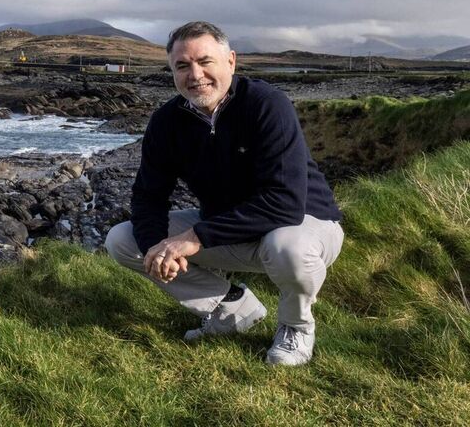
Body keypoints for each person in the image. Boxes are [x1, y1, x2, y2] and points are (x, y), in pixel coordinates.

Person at [104, 21, 344, 366]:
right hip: (230, 228)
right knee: (122, 239)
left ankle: (296, 325)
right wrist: (160, 248)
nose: (195, 75)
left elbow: (285, 204)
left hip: (306, 224)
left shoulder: (266, 104)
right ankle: (230, 306)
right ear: (172, 71)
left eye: (205, 62)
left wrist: (194, 237)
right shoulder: (167, 122)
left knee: (287, 247)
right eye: (182, 66)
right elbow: (148, 197)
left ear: (231, 61)